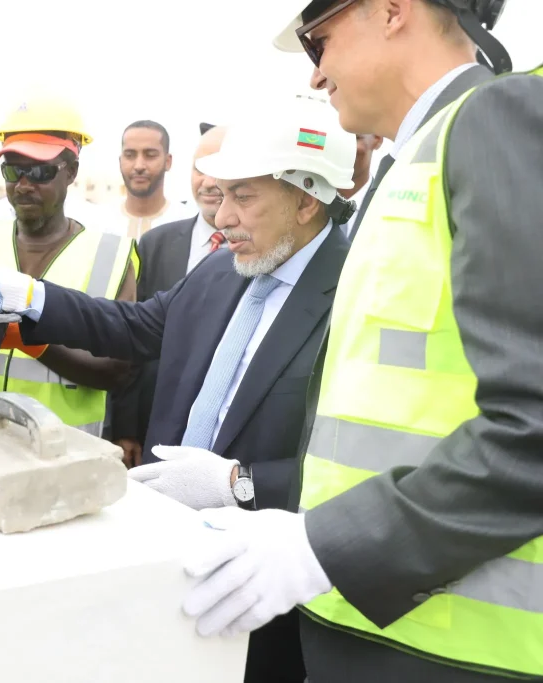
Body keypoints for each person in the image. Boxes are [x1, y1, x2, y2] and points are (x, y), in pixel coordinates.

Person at [172, 2, 542, 683]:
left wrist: (322, 545)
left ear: (391, 11)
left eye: (319, 43)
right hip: (362, 624)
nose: (317, 76)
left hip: (460, 650)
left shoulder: (497, 120)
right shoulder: (412, 162)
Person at [0, 95, 356, 683]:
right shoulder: (225, 269)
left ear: (306, 199)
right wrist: (30, 296)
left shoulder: (355, 293)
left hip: (264, 583)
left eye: (244, 197)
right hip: (164, 546)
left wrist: (237, 483)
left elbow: (359, 458)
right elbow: (138, 327)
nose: (221, 219)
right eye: (220, 195)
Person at [0, 96, 138, 440]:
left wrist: (31, 342)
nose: (23, 184)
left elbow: (117, 372)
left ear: (72, 171)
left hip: (63, 454)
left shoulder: (112, 256)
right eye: (12, 170)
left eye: (39, 171)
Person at [109, 125, 228, 466]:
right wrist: (126, 426)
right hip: (153, 424)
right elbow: (131, 339)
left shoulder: (259, 253)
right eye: (200, 168)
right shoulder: (155, 244)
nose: (208, 182)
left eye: (219, 169)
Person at [119, 120, 196, 240]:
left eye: (150, 155)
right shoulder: (96, 224)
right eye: (130, 155)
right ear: (120, 161)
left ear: (168, 162)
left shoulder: (190, 224)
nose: (139, 166)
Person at [339, 132, 382, 238]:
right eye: (337, 138)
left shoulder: (387, 206)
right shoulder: (307, 202)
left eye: (355, 138)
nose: (343, 147)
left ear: (377, 138)